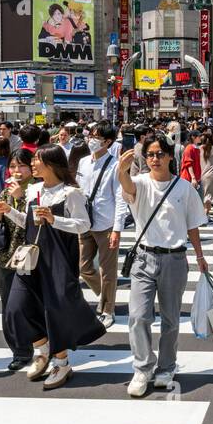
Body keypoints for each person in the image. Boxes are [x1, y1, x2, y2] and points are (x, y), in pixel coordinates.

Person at [0, 145, 102, 391]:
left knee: (56, 310)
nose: (32, 164)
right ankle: (42, 347)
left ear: (52, 164)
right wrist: (8, 211)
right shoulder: (33, 190)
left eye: (37, 160)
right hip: (31, 256)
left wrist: (55, 219)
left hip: (58, 258)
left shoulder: (70, 193)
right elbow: (28, 223)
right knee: (15, 307)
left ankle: (61, 362)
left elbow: (83, 225)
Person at [117, 132, 209, 398]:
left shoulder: (184, 188)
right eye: (150, 154)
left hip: (175, 258)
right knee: (138, 316)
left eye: (159, 154)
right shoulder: (140, 182)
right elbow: (127, 186)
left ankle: (167, 366)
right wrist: (121, 170)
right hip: (144, 257)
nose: (154, 159)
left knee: (170, 319)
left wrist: (200, 256)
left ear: (170, 156)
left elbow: (193, 225)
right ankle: (143, 368)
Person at [0, 150, 35, 371]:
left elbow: (34, 224)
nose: (16, 171)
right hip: (8, 255)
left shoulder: (37, 190)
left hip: (31, 256)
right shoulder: (6, 190)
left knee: (28, 305)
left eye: (21, 166)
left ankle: (42, 344)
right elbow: (1, 224)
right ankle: (20, 349)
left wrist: (20, 199)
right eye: (13, 166)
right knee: (8, 305)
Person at [75, 123, 121, 330]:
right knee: (83, 267)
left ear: (107, 142)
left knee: (107, 270)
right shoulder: (83, 162)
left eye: (96, 136)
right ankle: (105, 296)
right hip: (84, 221)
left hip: (106, 223)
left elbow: (121, 198)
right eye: (90, 135)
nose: (90, 139)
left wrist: (117, 228)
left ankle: (107, 310)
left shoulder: (115, 165)